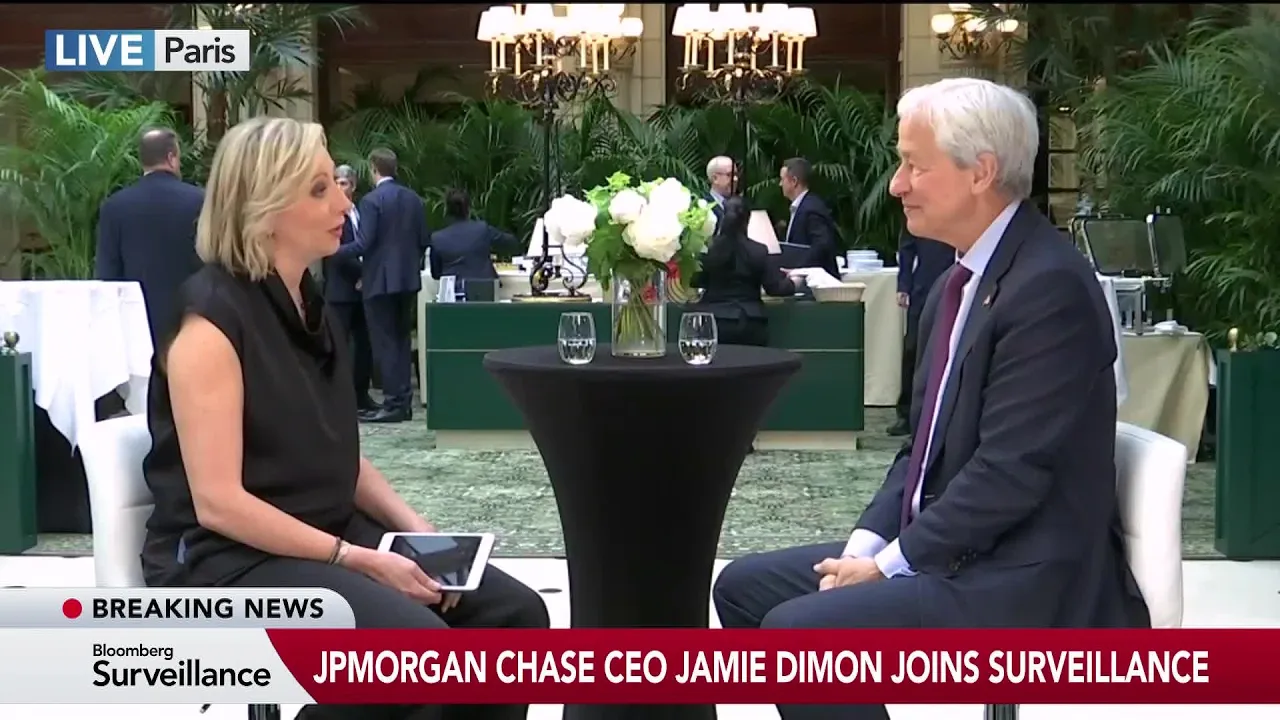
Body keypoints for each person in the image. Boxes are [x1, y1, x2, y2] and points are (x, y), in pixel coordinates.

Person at [712, 78, 1148, 720]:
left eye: (915, 165)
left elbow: (1009, 474)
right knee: (744, 587)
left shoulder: (1050, 287)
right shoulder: (957, 280)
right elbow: (921, 449)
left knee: (799, 636)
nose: (896, 185)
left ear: (982, 173)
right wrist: (864, 550)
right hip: (957, 549)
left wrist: (890, 567)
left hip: (1025, 574)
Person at [140, 117, 549, 720]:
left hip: (325, 532)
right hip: (228, 559)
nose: (343, 202)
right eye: (319, 189)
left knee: (513, 618)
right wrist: (357, 558)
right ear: (264, 209)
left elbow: (339, 457)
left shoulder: (313, 307)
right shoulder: (210, 322)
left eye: (334, 183)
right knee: (413, 655)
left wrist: (417, 529)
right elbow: (219, 504)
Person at [331, 148, 429, 424]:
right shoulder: (413, 199)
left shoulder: (372, 201)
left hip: (379, 281)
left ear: (374, 169)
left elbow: (364, 243)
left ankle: (394, 403)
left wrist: (332, 251)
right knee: (401, 340)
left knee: (385, 344)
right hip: (407, 280)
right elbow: (424, 239)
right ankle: (403, 401)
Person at [95, 127, 204, 346]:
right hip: (191, 320)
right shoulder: (201, 201)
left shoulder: (114, 207)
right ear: (172, 158)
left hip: (137, 327)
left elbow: (108, 276)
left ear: (142, 161)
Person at [691, 196, 795, 347]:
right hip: (750, 322)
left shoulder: (709, 250)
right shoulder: (759, 250)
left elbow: (695, 280)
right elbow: (775, 288)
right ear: (747, 220)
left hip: (713, 321)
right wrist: (794, 282)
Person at [321, 164, 376, 415]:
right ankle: (338, 400)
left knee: (364, 346)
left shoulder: (361, 211)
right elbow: (334, 252)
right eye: (336, 182)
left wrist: (367, 275)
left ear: (353, 186)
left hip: (364, 290)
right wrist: (362, 273)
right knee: (339, 345)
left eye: (343, 183)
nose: (339, 187)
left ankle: (361, 395)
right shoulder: (328, 214)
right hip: (341, 288)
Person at [888, 228, 954, 436]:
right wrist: (903, 285)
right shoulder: (920, 212)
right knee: (913, 348)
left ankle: (944, 414)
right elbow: (907, 249)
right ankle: (907, 414)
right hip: (923, 287)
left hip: (959, 282)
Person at [426, 188, 520, 295]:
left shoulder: (437, 238)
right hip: (485, 293)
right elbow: (511, 243)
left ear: (447, 210)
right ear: (468, 208)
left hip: (454, 295)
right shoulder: (482, 229)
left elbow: (436, 273)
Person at [778, 157, 839, 277]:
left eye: (782, 179)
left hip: (817, 281)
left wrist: (797, 268)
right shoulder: (801, 207)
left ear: (794, 181)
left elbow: (822, 245)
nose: (780, 184)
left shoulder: (812, 209)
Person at [704, 155, 736, 229]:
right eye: (729, 175)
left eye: (736, 174)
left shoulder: (740, 205)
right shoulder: (704, 206)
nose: (735, 179)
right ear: (715, 178)